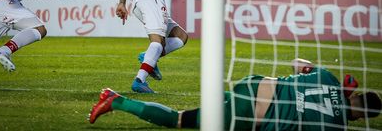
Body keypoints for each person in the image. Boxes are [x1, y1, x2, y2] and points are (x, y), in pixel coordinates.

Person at [88, 58, 382, 129]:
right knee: (180, 120)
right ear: (360, 118)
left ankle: (114, 97)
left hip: (253, 84)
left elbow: (297, 64)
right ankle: (117, 101)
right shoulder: (337, 126)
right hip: (250, 115)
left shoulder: (329, 78)